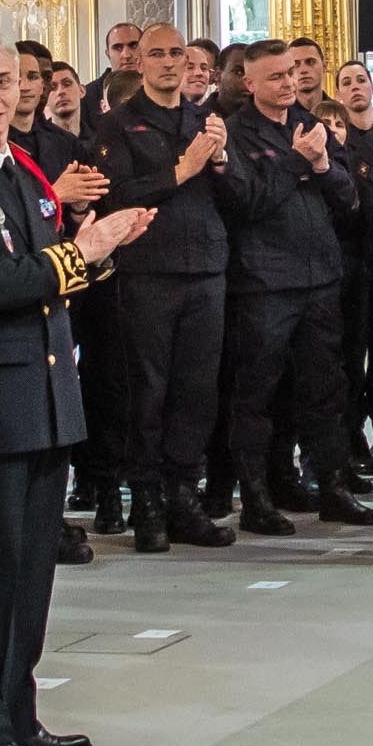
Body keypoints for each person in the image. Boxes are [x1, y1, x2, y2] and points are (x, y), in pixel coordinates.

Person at [0, 34, 146, 746]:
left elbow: (49, 273)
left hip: (47, 390)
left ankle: (19, 712)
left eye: (7, 81)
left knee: (31, 574)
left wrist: (95, 247)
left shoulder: (20, 169)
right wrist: (80, 254)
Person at [216, 41, 370, 531]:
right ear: (250, 83)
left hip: (321, 276)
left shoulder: (313, 124)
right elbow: (244, 202)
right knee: (258, 393)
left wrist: (322, 165)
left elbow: (349, 200)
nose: (288, 83)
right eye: (276, 76)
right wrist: (294, 163)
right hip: (264, 282)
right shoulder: (236, 133)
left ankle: (333, 487)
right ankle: (258, 497)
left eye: (291, 73)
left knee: (326, 389)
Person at [91, 41, 230, 548]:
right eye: (158, 54)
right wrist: (182, 170)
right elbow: (116, 194)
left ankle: (183, 497)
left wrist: (220, 164)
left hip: (206, 267)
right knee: (148, 389)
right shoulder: (118, 125)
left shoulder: (206, 120)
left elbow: (236, 197)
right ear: (141, 63)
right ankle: (147, 500)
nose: (170, 62)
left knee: (196, 390)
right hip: (149, 270)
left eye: (178, 53)